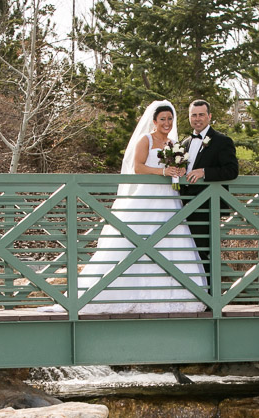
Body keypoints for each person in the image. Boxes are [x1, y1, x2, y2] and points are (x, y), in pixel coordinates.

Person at [74, 100, 208, 314]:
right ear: (154, 121)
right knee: (136, 238)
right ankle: (114, 293)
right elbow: (138, 167)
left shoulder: (174, 143)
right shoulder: (145, 140)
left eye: (170, 119)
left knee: (169, 241)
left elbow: (179, 167)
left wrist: (178, 170)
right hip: (146, 196)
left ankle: (171, 295)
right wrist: (163, 172)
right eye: (163, 119)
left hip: (168, 197)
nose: (167, 122)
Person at [180, 99, 239, 280]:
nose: (197, 119)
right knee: (186, 252)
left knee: (204, 253)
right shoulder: (184, 143)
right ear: (189, 117)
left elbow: (232, 170)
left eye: (201, 115)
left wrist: (204, 172)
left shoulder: (222, 141)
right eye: (194, 115)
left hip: (207, 207)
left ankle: (209, 301)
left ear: (209, 116)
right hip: (183, 206)